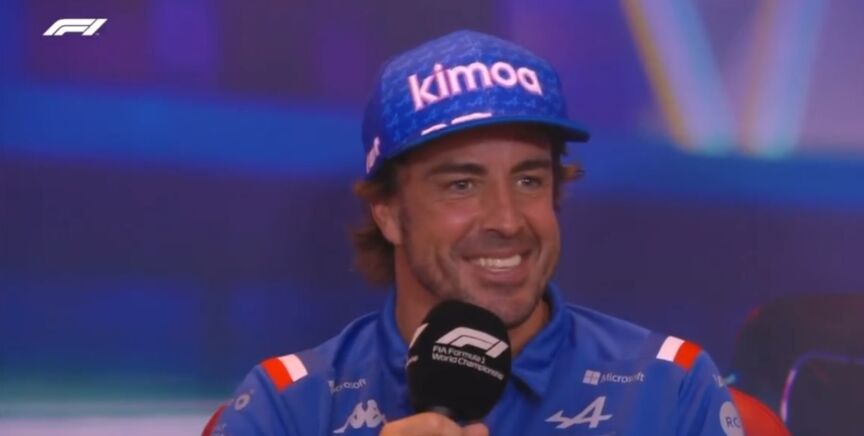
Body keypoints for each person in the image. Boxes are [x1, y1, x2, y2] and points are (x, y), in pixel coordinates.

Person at [204, 30, 743, 436]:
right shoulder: (288, 406)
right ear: (387, 212)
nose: (507, 221)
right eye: (461, 185)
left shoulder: (669, 389)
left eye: (529, 180)